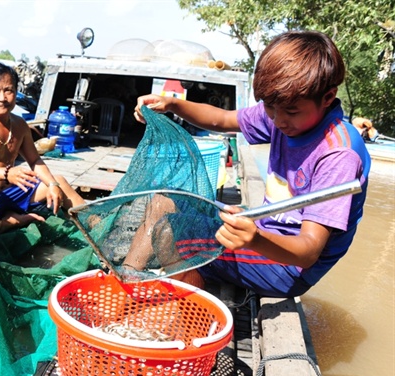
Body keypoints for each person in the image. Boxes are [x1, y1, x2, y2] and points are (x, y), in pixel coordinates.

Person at [130, 30, 371, 298]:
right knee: (163, 202)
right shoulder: (283, 108)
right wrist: (173, 104)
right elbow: (221, 120)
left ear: (327, 98)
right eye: (269, 108)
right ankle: (124, 286)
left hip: (287, 266)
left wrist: (254, 239)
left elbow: (309, 252)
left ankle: (187, 319)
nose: (277, 121)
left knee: (169, 234)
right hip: (262, 232)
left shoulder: (337, 154)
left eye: (290, 112)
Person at [0, 61, 86, 236]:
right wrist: (6, 173)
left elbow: (34, 160)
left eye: (8, 90)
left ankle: (97, 227)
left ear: (16, 93)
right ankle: (11, 221)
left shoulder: (20, 124)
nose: (2, 98)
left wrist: (52, 184)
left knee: (60, 183)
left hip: (14, 190)